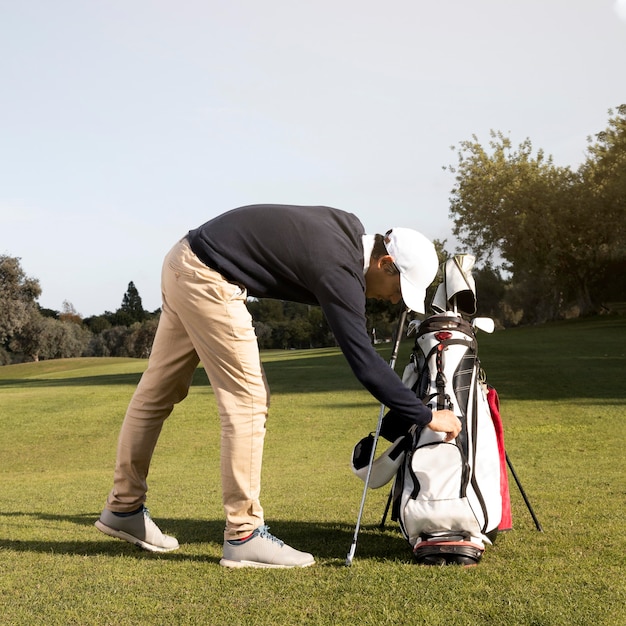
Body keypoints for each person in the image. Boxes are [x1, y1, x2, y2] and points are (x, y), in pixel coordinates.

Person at [95, 204, 462, 568]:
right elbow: (364, 363)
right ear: (384, 264)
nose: (395, 299)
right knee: (249, 400)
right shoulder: (339, 268)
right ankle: (244, 533)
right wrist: (426, 416)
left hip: (183, 259)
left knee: (156, 394)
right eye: (399, 288)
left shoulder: (349, 229)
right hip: (208, 276)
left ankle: (123, 508)